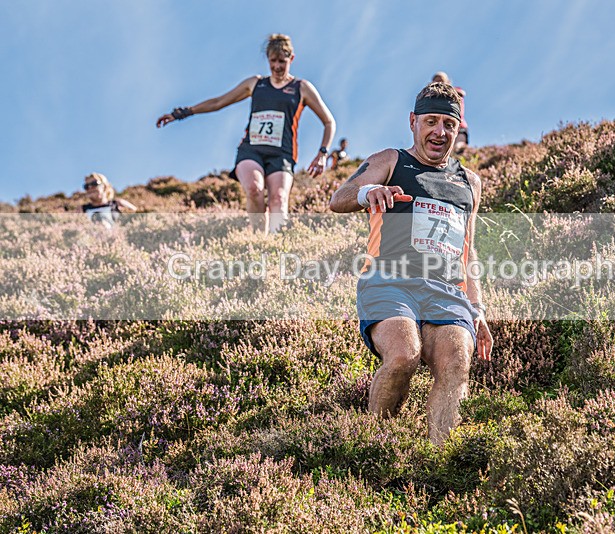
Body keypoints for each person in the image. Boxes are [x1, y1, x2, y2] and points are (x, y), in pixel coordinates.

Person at [329, 82, 493, 445]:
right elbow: (337, 198)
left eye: (448, 124)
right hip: (390, 281)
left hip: (447, 290)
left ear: (458, 128)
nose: (439, 131)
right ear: (413, 121)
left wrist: (477, 308)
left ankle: (436, 458)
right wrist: (367, 192)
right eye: (431, 121)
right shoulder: (390, 161)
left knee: (456, 363)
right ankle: (376, 448)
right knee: (404, 356)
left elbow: (469, 249)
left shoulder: (470, 182)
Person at [157, 34, 335, 234]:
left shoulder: (301, 88)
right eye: (273, 61)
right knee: (254, 189)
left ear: (291, 59)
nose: (277, 66)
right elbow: (218, 102)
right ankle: (258, 241)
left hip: (282, 153)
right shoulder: (256, 84)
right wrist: (182, 113)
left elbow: (329, 122)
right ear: (268, 59)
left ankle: (277, 245)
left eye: (282, 62)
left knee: (278, 198)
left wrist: (322, 153)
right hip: (251, 150)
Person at [431, 72, 468, 153]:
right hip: (440, 129)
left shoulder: (455, 93)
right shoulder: (430, 98)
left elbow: (461, 94)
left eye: (442, 80)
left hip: (459, 126)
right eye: (436, 81)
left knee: (458, 148)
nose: (439, 83)